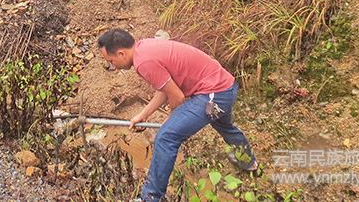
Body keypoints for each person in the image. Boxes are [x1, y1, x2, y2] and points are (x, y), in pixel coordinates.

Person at [97, 28, 257, 201]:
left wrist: (172, 120)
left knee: (166, 137)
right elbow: (166, 89)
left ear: (121, 53)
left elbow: (177, 97)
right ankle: (248, 162)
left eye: (111, 61)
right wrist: (144, 114)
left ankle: (151, 197)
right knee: (224, 126)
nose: (113, 66)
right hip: (224, 88)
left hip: (214, 96)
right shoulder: (145, 47)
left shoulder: (144, 62)